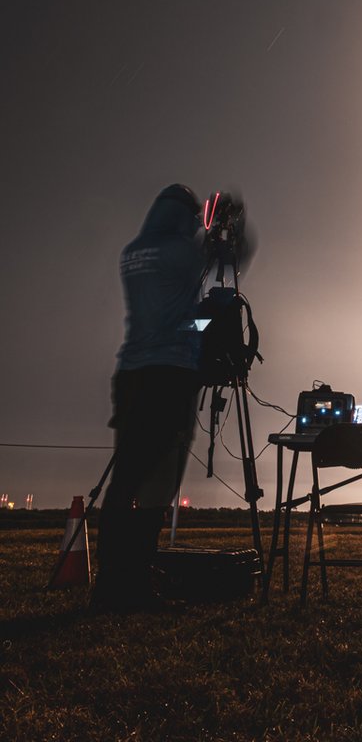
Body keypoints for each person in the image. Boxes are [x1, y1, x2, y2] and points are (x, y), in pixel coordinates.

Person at [92, 185, 207, 611]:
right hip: (169, 376)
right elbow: (229, 260)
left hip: (130, 374)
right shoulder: (183, 254)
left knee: (125, 479)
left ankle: (112, 580)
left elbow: (162, 314)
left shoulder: (132, 253)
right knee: (159, 481)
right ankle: (136, 580)